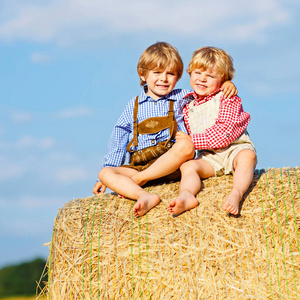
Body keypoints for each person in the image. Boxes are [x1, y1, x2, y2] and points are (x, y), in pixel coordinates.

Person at [92, 42, 237, 217]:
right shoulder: (133, 106)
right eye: (157, 72)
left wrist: (226, 84)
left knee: (186, 145)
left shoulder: (183, 96)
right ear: (143, 74)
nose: (164, 78)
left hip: (173, 164)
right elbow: (119, 136)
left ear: (178, 77)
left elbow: (207, 89)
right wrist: (107, 174)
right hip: (141, 165)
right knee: (105, 172)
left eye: (171, 74)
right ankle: (143, 196)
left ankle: (140, 181)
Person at [165, 46, 257, 216]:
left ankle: (236, 193)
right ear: (190, 73)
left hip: (233, 150)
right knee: (189, 166)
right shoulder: (187, 105)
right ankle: (187, 195)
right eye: (197, 73)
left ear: (223, 80)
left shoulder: (228, 98)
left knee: (247, 157)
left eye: (210, 76)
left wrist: (190, 141)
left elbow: (224, 134)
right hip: (209, 156)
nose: (202, 79)